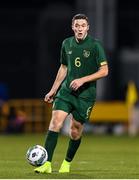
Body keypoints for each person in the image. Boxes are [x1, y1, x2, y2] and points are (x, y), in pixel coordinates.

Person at [34, 13, 108, 174]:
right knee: (55, 122)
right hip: (66, 92)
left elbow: (104, 71)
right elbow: (63, 68)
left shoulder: (95, 45)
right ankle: (46, 164)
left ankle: (66, 162)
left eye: (83, 26)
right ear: (72, 27)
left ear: (87, 27)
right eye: (77, 25)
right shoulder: (66, 43)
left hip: (85, 96)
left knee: (75, 131)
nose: (80, 28)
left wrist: (83, 80)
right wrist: (53, 90)